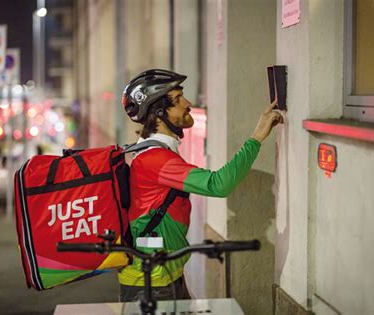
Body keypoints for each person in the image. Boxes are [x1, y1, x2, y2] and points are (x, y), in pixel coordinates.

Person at [118, 69, 283, 302]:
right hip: (152, 283)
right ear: (158, 114)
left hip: (162, 274)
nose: (188, 103)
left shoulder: (153, 153)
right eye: (177, 100)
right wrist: (256, 138)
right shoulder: (154, 159)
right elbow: (218, 185)